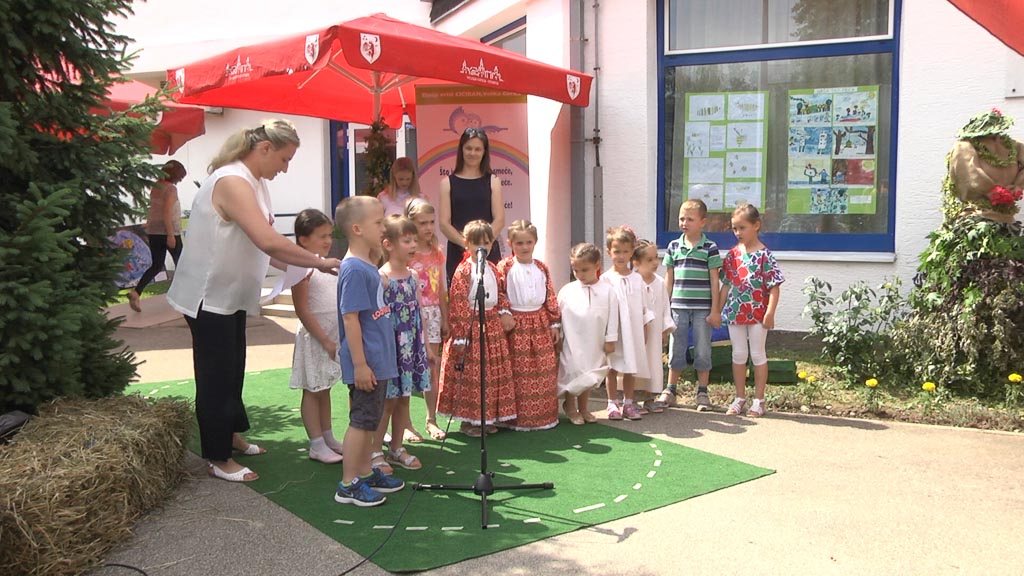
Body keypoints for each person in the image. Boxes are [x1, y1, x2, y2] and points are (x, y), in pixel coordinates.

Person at [166, 119, 341, 483]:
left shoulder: (255, 181)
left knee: (233, 369)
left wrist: (300, 267)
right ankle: (217, 457)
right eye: (284, 159)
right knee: (216, 375)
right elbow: (268, 241)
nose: (285, 168)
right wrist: (318, 261)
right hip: (207, 296)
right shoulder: (232, 181)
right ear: (264, 149)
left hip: (230, 295)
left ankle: (231, 434)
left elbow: (265, 244)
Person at [333, 196, 406, 507]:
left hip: (378, 359)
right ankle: (348, 483)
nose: (384, 227)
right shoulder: (353, 269)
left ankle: (364, 471)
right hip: (367, 362)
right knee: (362, 421)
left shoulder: (367, 266)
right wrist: (360, 364)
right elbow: (350, 318)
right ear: (357, 229)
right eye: (378, 222)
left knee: (371, 419)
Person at [437, 220, 516, 437]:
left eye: (487, 243)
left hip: (491, 326)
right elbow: (459, 303)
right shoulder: (463, 270)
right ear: (467, 244)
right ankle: (468, 421)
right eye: (477, 243)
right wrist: (462, 336)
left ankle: (486, 418)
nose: (482, 248)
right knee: (472, 375)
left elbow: (500, 293)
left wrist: (504, 311)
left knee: (489, 374)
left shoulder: (492, 268)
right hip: (471, 326)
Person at [370, 215, 430, 474]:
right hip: (390, 349)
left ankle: (396, 447)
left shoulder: (413, 276)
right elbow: (375, 317)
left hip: (410, 348)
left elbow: (420, 313)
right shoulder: (381, 278)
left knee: (404, 398)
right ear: (388, 244)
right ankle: (374, 451)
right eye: (407, 240)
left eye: (414, 240)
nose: (413, 245)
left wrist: (425, 347)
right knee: (387, 402)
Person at [717, 204, 784, 418]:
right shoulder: (732, 255)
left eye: (742, 228)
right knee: (738, 354)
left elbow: (774, 287)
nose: (738, 233)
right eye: (734, 228)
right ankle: (740, 397)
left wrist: (770, 313)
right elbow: (726, 285)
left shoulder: (764, 255)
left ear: (756, 225)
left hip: (757, 315)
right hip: (735, 312)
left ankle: (759, 400)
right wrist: (717, 311)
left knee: (757, 354)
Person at [288, 209, 344, 464]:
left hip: (331, 336)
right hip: (315, 338)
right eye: (321, 236)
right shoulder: (300, 267)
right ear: (303, 239)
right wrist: (324, 340)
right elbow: (302, 309)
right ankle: (316, 443)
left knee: (325, 388)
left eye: (329, 235)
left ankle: (328, 436)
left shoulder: (325, 264)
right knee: (312, 390)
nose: (328, 241)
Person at [657, 199, 722, 412]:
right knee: (676, 347)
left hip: (703, 308)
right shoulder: (673, 246)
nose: (684, 223)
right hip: (678, 307)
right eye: (681, 218)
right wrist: (665, 307)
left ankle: (702, 392)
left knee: (703, 349)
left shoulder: (710, 248)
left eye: (690, 219)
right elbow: (669, 278)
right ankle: (670, 389)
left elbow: (714, 280)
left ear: (702, 222)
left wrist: (715, 310)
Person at [496, 220, 561, 431]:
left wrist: (554, 322)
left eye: (528, 242)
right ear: (510, 243)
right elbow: (499, 292)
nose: (524, 247)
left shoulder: (541, 267)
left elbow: (550, 295)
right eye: (519, 243)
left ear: (535, 242)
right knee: (518, 371)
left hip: (539, 322)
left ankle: (543, 416)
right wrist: (504, 313)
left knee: (543, 368)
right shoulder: (505, 266)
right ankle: (515, 418)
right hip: (515, 324)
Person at [557, 243, 618, 425]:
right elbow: (558, 315)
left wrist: (610, 339)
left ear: (597, 265)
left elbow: (613, 316)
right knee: (573, 371)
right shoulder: (567, 291)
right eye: (575, 270)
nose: (580, 275)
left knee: (589, 374)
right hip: (572, 340)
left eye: (585, 270)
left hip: (594, 340)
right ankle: (570, 405)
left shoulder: (608, 291)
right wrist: (558, 336)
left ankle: (584, 408)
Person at [404, 197, 449, 441]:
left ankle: (431, 419)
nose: (429, 227)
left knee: (432, 367)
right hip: (410, 314)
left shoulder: (436, 251)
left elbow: (440, 287)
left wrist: (445, 317)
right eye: (423, 223)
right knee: (407, 368)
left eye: (431, 222)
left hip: (432, 314)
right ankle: (406, 423)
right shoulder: (406, 253)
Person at [439, 128, 505, 287]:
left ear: (484, 152)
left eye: (477, 149)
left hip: (488, 252)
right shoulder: (447, 183)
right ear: (461, 149)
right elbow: (444, 224)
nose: (472, 153)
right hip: (459, 252)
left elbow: (499, 220)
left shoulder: (493, 181)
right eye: (468, 148)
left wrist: (484, 244)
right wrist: (468, 245)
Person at [601, 225, 651, 421]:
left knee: (631, 365)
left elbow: (644, 307)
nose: (621, 256)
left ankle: (629, 402)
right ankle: (612, 402)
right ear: (609, 252)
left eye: (625, 251)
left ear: (632, 252)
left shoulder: (637, 279)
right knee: (612, 366)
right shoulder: (606, 279)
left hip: (633, 330)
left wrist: (644, 328)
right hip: (614, 332)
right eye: (617, 252)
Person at [128, 160, 186, 312]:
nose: (179, 180)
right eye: (180, 177)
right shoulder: (171, 189)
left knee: (156, 265)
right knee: (182, 265)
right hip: (169, 231)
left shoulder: (156, 186)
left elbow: (154, 208)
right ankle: (184, 298)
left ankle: (136, 292)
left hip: (154, 231)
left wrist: (149, 222)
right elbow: (167, 212)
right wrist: (170, 235)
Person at [631, 239, 676, 413]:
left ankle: (649, 398)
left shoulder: (659, 283)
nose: (655, 262)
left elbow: (665, 307)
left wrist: (665, 330)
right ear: (636, 262)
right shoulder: (633, 282)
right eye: (649, 259)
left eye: (656, 257)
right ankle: (631, 399)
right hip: (638, 333)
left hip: (655, 331)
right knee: (637, 363)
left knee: (653, 362)